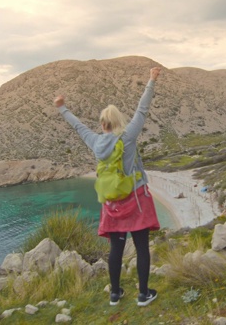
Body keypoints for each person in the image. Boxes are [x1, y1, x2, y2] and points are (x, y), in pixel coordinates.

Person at [53, 67, 161, 307]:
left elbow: (77, 126)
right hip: (136, 199)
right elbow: (142, 110)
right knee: (142, 247)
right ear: (118, 122)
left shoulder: (94, 141)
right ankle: (143, 294)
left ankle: (115, 294)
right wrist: (151, 81)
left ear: (103, 124)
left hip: (112, 203)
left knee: (116, 249)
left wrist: (62, 107)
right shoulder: (128, 136)